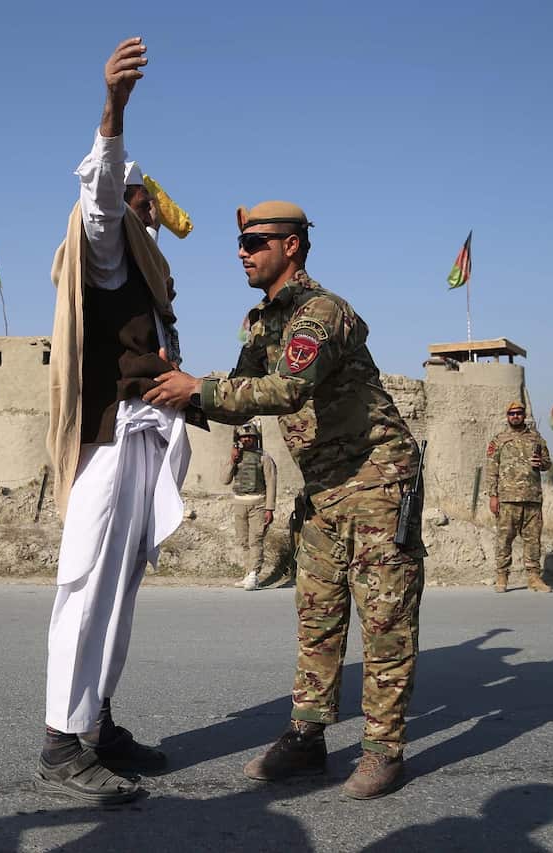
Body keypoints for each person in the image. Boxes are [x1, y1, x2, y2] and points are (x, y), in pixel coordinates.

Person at [145, 200, 426, 800]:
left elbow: (289, 388)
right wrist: (176, 387)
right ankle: (307, 737)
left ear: (291, 246)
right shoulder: (260, 324)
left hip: (377, 480)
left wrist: (198, 389)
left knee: (386, 619)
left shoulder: (321, 312)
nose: (242, 253)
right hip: (321, 488)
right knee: (317, 616)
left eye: (255, 242)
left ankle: (383, 749)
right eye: (240, 243)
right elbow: (236, 392)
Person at [37, 36, 191, 806]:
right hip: (107, 437)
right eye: (143, 199)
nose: (152, 210)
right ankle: (60, 743)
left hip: (143, 437)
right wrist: (113, 110)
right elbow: (98, 201)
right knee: (87, 583)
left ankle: (96, 722)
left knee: (120, 589)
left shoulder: (148, 270)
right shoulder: (105, 246)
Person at [483, 401, 552, 593]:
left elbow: (548, 463)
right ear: (507, 416)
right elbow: (492, 469)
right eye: (512, 413)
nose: (515, 416)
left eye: (519, 413)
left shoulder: (536, 438)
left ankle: (534, 577)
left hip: (532, 498)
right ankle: (502, 576)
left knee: (533, 540)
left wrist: (541, 463)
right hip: (507, 499)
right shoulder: (498, 440)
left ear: (524, 415)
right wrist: (493, 496)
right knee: (504, 539)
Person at [220, 421, 276, 590]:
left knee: (255, 540)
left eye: (250, 437)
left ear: (255, 438)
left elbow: (271, 483)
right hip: (239, 502)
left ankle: (253, 574)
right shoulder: (236, 456)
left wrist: (269, 508)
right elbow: (224, 480)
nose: (246, 440)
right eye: (243, 437)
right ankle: (247, 573)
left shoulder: (264, 457)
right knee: (243, 541)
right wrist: (232, 460)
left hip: (258, 503)